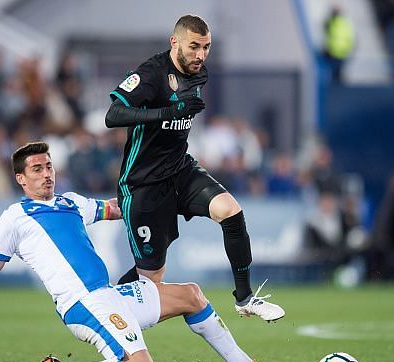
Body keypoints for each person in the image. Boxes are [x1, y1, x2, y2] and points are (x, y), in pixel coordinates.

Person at [0, 142, 288, 362]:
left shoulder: (70, 203)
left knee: (191, 295)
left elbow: (118, 208)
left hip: (110, 295)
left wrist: (167, 196)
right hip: (85, 304)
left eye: (49, 166)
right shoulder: (15, 218)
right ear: (21, 179)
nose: (46, 173)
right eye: (36, 169)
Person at [104, 15, 284, 322]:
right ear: (174, 42)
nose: (200, 54)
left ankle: (244, 298)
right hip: (144, 183)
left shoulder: (199, 73)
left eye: (206, 47)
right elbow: (113, 114)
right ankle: (106, 310)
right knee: (149, 283)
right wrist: (167, 112)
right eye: (194, 46)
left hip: (180, 170)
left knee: (230, 210)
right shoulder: (151, 73)